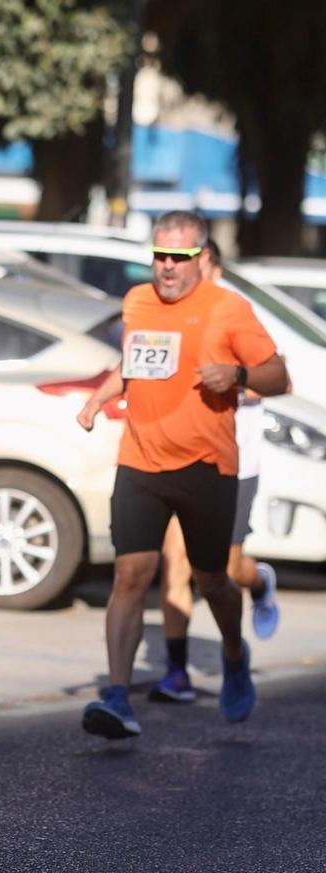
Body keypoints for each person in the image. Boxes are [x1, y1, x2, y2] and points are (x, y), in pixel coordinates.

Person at [77, 211, 290, 737]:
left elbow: (280, 375)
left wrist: (237, 374)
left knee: (213, 578)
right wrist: (98, 398)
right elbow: (134, 362)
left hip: (206, 465)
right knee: (130, 576)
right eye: (160, 256)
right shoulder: (138, 301)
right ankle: (120, 698)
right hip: (142, 460)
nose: (168, 267)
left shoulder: (227, 308)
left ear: (202, 259)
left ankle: (235, 657)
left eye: (180, 257)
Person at [150, 237, 283, 703]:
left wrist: (229, 382)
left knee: (224, 569)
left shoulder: (235, 311)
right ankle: (176, 671)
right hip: (173, 456)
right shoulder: (163, 311)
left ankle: (259, 582)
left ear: (212, 265)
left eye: (193, 260)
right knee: (175, 564)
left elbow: (271, 382)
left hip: (233, 459)